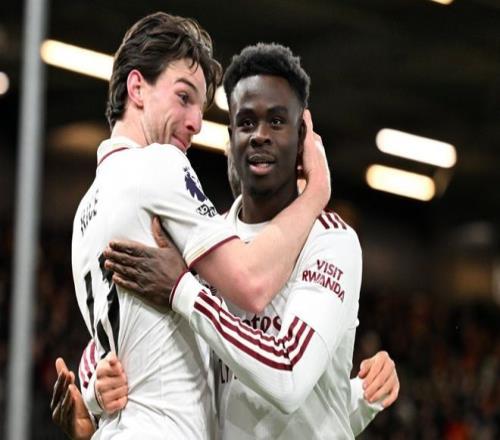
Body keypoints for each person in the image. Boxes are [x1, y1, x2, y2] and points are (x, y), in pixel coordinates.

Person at [56, 43, 399, 439]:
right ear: (230, 138)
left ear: (303, 137)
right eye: (246, 123)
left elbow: (288, 378)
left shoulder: (330, 240)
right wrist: (95, 390)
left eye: (277, 122)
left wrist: (184, 291)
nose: (260, 136)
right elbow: (122, 326)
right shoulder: (207, 243)